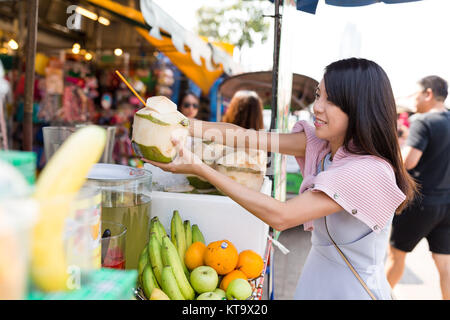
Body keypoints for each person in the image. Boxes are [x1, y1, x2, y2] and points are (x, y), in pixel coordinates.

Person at [143, 58, 417, 300]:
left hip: (351, 290)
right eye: (319, 95)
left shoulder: (367, 170)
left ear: (359, 108)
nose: (317, 107)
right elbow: (245, 136)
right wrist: (179, 124)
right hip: (314, 277)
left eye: (331, 100)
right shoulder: (326, 146)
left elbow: (282, 216)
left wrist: (201, 169)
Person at [385, 75, 450, 300]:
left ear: (429, 94)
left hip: (420, 202)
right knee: (444, 263)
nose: (414, 100)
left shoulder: (423, 121)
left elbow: (408, 162)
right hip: (447, 204)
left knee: (396, 256)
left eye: (417, 93)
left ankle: (376, 297)